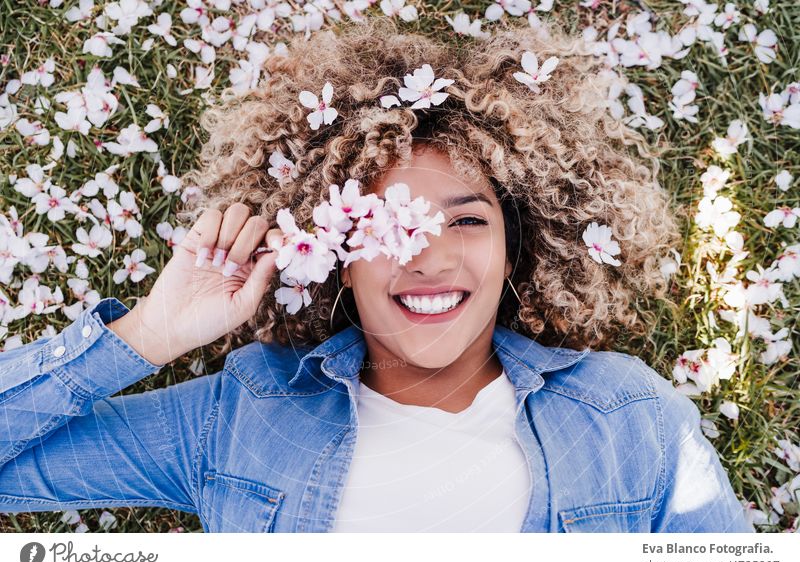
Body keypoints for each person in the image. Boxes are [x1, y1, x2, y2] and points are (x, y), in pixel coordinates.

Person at [0, 16, 752, 533]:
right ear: (330, 257)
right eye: (382, 223)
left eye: (466, 220)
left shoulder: (633, 419)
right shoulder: (239, 416)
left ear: (518, 248)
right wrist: (146, 335)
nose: (426, 255)